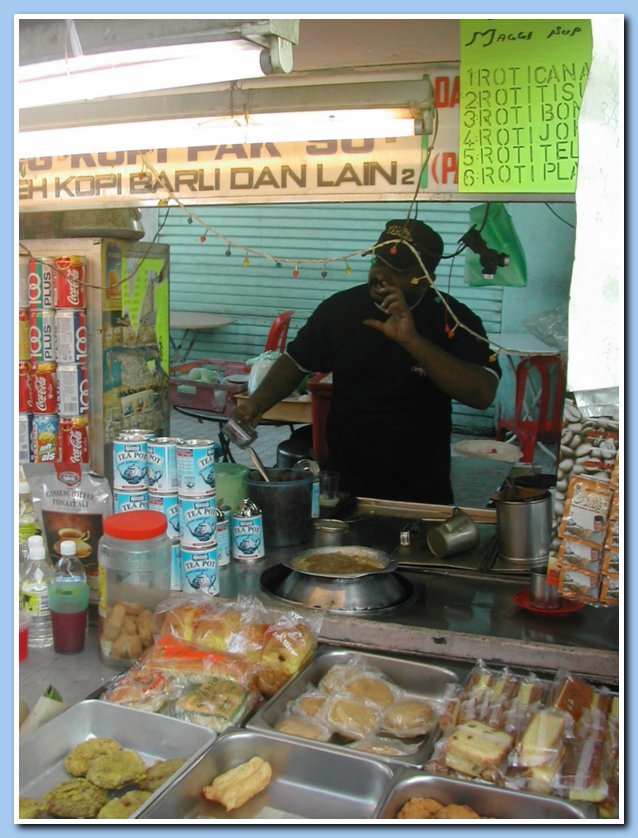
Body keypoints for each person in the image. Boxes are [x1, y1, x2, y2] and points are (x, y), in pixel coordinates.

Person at [232, 218, 502, 504]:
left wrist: (413, 341)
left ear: (425, 278)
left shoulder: (452, 319)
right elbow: (296, 361)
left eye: (397, 269)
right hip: (347, 484)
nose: (380, 273)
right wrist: (257, 403)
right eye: (378, 260)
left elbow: (482, 393)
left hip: (421, 487)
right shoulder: (340, 310)